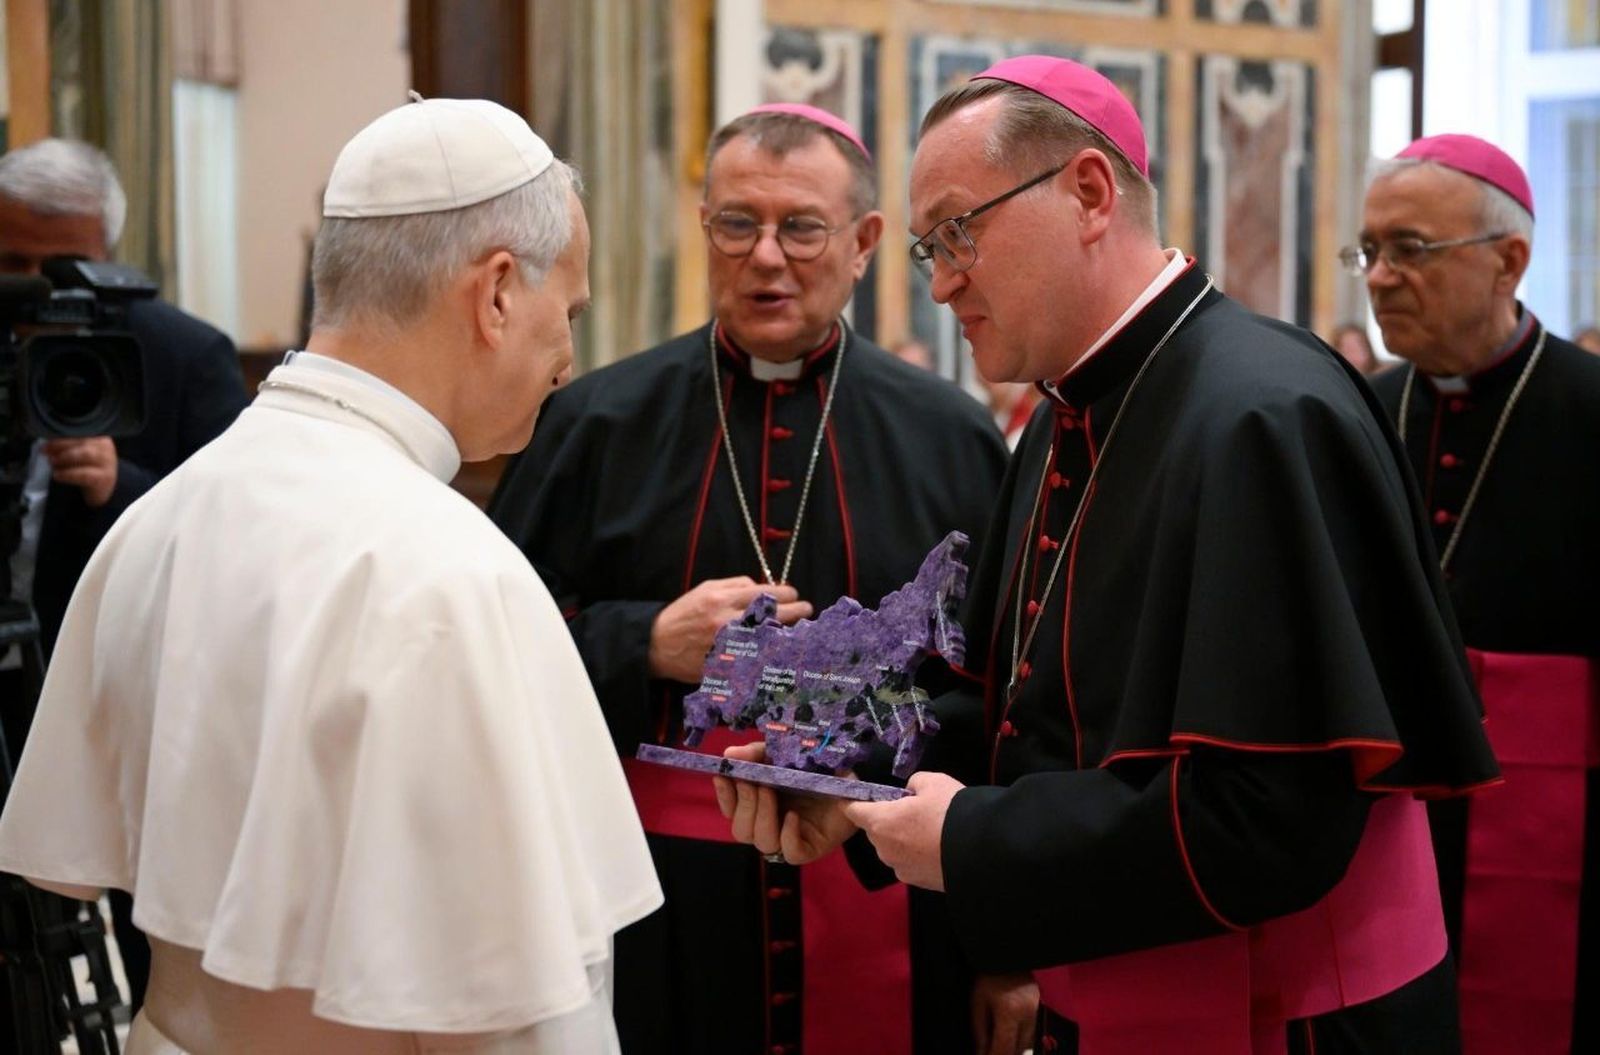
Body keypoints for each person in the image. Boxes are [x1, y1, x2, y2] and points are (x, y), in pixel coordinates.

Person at [718, 57, 1500, 1054]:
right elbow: (1019, 711)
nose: (943, 279)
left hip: (1286, 1015)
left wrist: (968, 841)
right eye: (928, 248)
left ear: (1088, 193)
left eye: (959, 231)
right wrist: (847, 774)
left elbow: (1266, 820)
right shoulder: (1063, 415)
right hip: (1127, 989)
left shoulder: (1261, 415)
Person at [0, 97, 661, 1053]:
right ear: (498, 292)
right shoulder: (455, 575)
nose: (568, 355)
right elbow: (526, 1011)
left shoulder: (158, 519)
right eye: (571, 309)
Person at [488, 103, 1011, 1055]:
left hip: (886, 884)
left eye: (801, 227)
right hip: (653, 905)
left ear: (863, 243)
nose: (766, 256)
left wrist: (1008, 952)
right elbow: (493, 643)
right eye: (738, 223)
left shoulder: (951, 437)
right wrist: (646, 641)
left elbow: (1007, 695)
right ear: (704, 230)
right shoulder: (595, 423)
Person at [1357, 134, 1600, 1055]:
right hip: (1388, 805)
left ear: (1511, 262)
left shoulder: (1589, 410)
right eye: (1369, 250)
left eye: (1410, 249)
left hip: (1565, 827)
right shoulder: (1357, 410)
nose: (1379, 277)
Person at [0, 137, 249, 1014]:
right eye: (12, 260)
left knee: (156, 941)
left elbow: (244, 539)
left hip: (128, 696)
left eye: (60, 262)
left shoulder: (184, 355)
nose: (34, 284)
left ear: (109, 255)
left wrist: (122, 487)